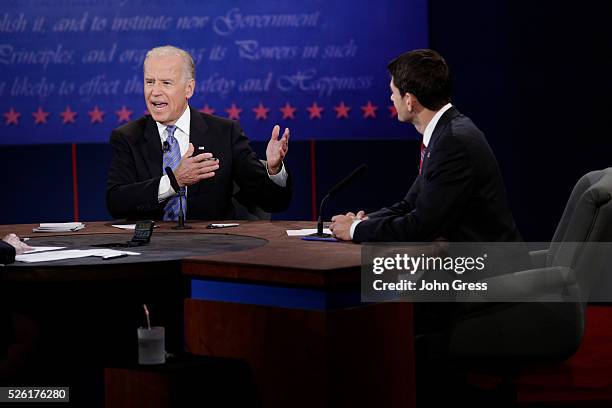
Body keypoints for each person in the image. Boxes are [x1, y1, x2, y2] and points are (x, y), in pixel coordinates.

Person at [329, 49, 523, 245]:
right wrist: (365, 221)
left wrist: (355, 230)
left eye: (393, 92)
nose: (391, 99)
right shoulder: (446, 132)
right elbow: (409, 205)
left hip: (488, 270)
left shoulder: (453, 142)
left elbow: (420, 227)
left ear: (409, 101)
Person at [106, 45, 292, 221]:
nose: (155, 92)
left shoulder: (224, 133)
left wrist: (274, 170)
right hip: (152, 248)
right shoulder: (128, 137)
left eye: (166, 83)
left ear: (189, 89)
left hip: (213, 247)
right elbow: (116, 203)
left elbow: (272, 202)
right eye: (149, 82)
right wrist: (173, 182)